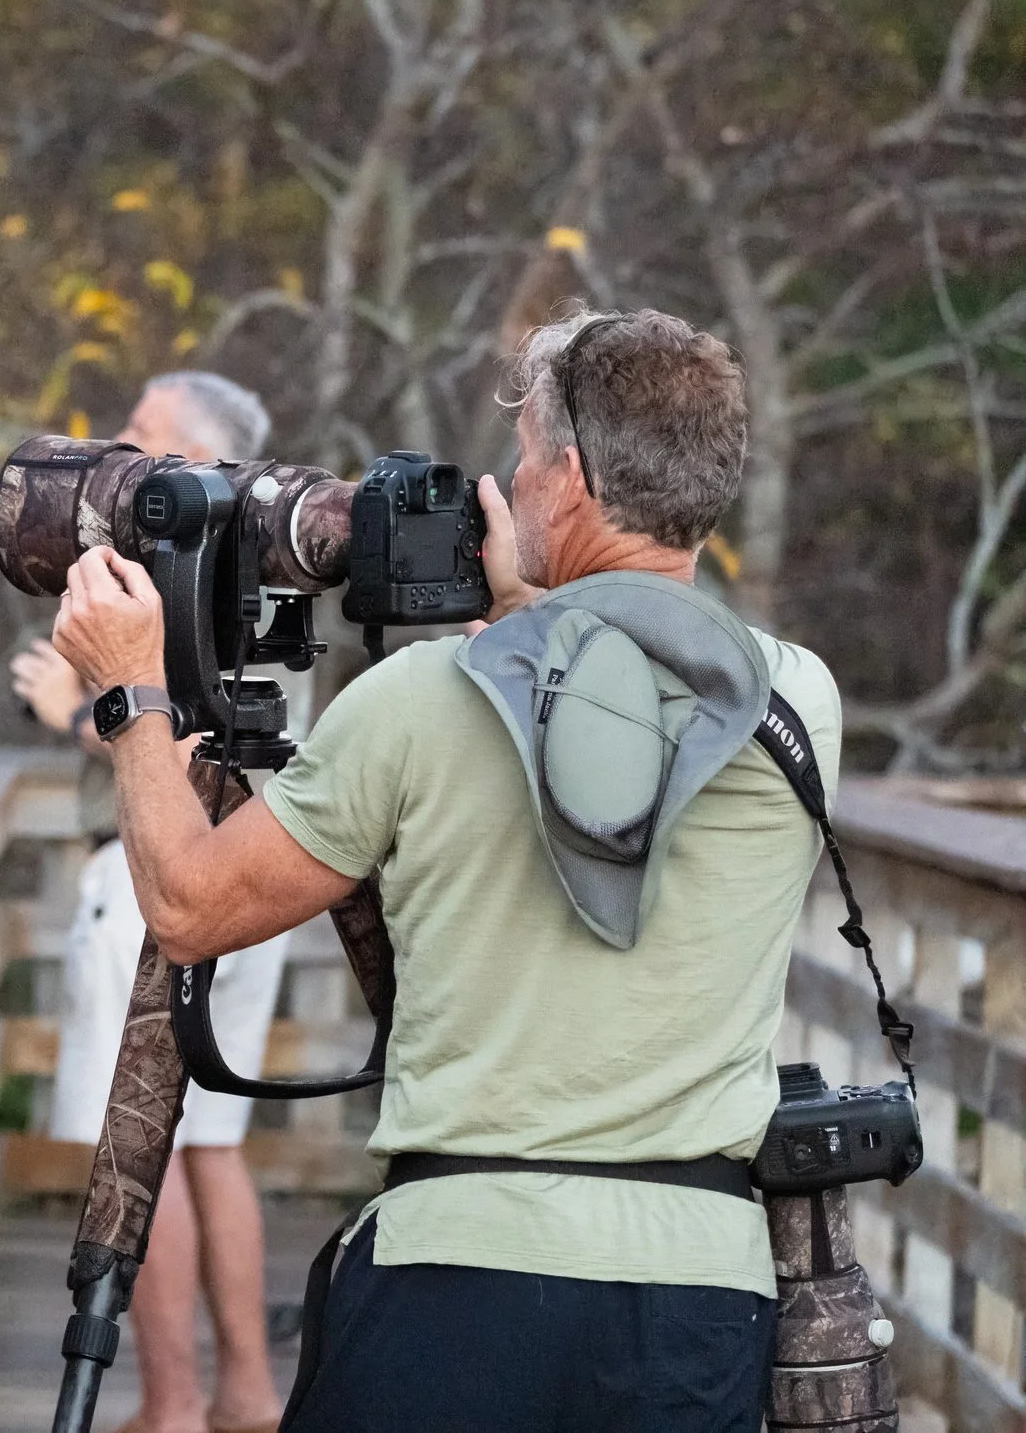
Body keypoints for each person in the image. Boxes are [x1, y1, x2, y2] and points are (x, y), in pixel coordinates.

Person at [49, 308, 840, 1432]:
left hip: (457, 1284)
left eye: (522, 460)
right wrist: (537, 613)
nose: (502, 488)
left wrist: (132, 691)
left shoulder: (422, 703)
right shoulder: (796, 701)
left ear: (565, 475)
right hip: (700, 1296)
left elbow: (188, 907)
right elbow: (627, 670)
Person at [11, 370, 290, 1433]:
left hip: (161, 877)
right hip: (262, 861)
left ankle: (169, 1404)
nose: (110, 453)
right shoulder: (268, 562)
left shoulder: (175, 572)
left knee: (142, 1143)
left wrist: (67, 709)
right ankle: (248, 1393)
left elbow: (164, 739)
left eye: (139, 436)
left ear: (203, 465)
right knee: (211, 1142)